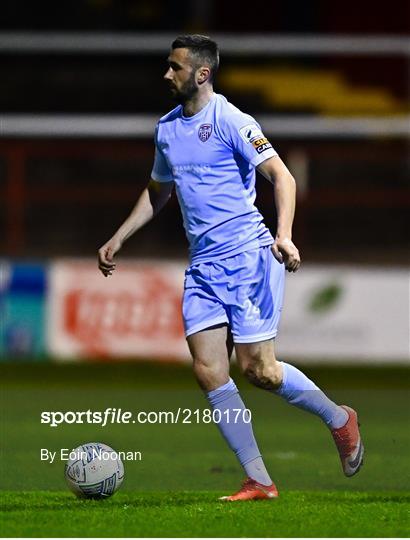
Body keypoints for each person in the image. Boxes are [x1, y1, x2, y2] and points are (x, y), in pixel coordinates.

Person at [98, 34, 364, 501]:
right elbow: (159, 190)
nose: (167, 75)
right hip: (202, 265)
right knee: (207, 370)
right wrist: (119, 237)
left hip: (248, 257)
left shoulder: (233, 120)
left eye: (175, 68)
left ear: (202, 74)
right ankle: (259, 479)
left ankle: (339, 419)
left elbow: (283, 176)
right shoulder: (166, 129)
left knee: (259, 370)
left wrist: (284, 235)